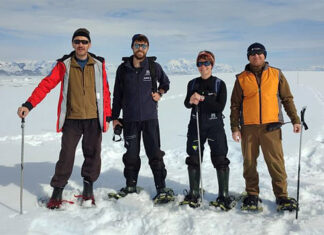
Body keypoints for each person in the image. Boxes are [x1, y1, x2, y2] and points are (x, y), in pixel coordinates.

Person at [17, 28, 112, 209]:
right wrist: (29, 105)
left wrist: (107, 115)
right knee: (66, 155)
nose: (80, 45)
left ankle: (88, 188)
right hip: (72, 119)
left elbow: (106, 92)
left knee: (93, 155)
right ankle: (57, 191)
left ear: (89, 44)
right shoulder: (65, 64)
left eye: (84, 41)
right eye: (77, 41)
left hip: (94, 118)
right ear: (73, 44)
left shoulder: (99, 64)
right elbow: (46, 85)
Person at [230, 42, 301, 211]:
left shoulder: (276, 74)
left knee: (275, 162)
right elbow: (235, 105)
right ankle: (252, 194)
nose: (256, 56)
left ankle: (282, 196)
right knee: (249, 163)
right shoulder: (241, 78)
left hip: (272, 127)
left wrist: (295, 119)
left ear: (265, 55)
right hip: (249, 128)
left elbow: (287, 99)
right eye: (253, 54)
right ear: (248, 57)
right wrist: (235, 127)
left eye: (260, 53)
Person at [111, 34, 173, 204]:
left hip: (150, 119)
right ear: (132, 47)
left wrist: (159, 93)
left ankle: (161, 188)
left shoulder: (153, 67)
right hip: (130, 120)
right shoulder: (123, 69)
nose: (140, 48)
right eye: (138, 45)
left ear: (147, 48)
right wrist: (115, 118)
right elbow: (117, 95)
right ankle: (130, 186)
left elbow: (166, 83)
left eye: (144, 46)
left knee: (155, 153)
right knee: (131, 155)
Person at [180, 51, 233, 210]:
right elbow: (187, 104)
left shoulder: (219, 84)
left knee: (220, 158)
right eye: (200, 64)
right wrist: (191, 100)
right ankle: (194, 192)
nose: (203, 67)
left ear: (212, 65)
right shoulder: (192, 83)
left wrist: (202, 98)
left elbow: (219, 106)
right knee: (194, 156)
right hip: (196, 125)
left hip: (214, 126)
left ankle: (223, 195)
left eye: (206, 63)